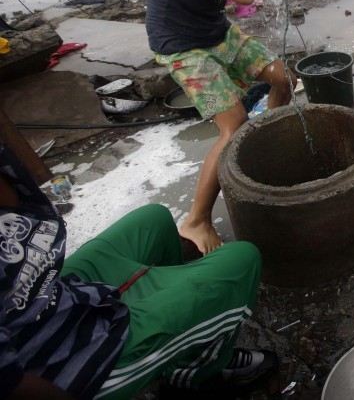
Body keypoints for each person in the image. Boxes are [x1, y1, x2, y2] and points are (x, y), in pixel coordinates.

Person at [0, 140, 276, 399]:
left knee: (153, 219)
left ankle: (182, 347)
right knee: (240, 262)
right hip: (68, 361)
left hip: (48, 292)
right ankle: (197, 376)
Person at [145, 0, 294, 255]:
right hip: (182, 46)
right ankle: (196, 220)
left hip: (215, 32)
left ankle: (259, 148)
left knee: (283, 80)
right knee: (232, 123)